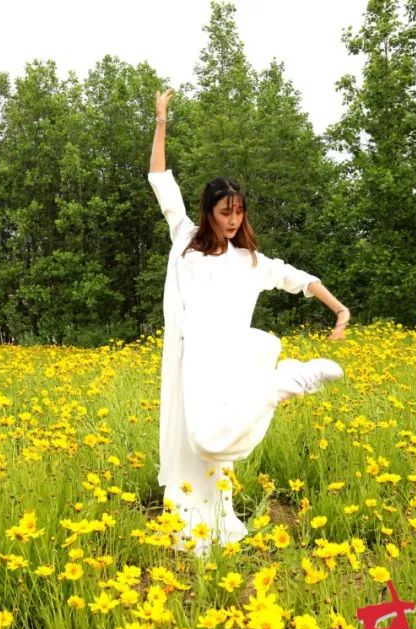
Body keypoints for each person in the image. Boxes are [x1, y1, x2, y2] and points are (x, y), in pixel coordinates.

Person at [149, 88, 350, 555]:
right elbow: (159, 179)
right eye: (226, 212)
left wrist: (339, 309)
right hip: (194, 354)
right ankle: (197, 521)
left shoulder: (250, 260)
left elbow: (301, 280)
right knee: (199, 446)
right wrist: (161, 120)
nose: (234, 220)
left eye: (239, 212)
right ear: (209, 212)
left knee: (210, 440)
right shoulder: (185, 238)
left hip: (230, 356)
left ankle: (282, 382)